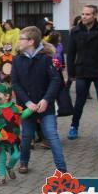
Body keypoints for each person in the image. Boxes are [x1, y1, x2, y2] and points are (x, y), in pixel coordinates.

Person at [11, 26, 67, 174]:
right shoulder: (17, 60)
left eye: (21, 39)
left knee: (52, 135)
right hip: (27, 107)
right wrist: (28, 103)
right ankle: (23, 162)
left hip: (45, 106)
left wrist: (46, 100)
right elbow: (15, 83)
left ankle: (61, 169)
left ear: (31, 41)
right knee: (27, 135)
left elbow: (55, 80)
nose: (19, 42)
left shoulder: (47, 59)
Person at [67, 5, 98, 139]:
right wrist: (71, 74)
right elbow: (70, 54)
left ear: (95, 16)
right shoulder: (75, 32)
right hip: (82, 72)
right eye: (83, 14)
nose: (84, 16)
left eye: (87, 14)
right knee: (79, 102)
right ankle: (74, 126)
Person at [0, 83, 34, 185]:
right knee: (2, 157)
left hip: (13, 137)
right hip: (0, 138)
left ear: (7, 96)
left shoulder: (14, 107)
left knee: (16, 155)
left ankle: (9, 167)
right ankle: (2, 176)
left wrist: (30, 110)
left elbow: (22, 115)